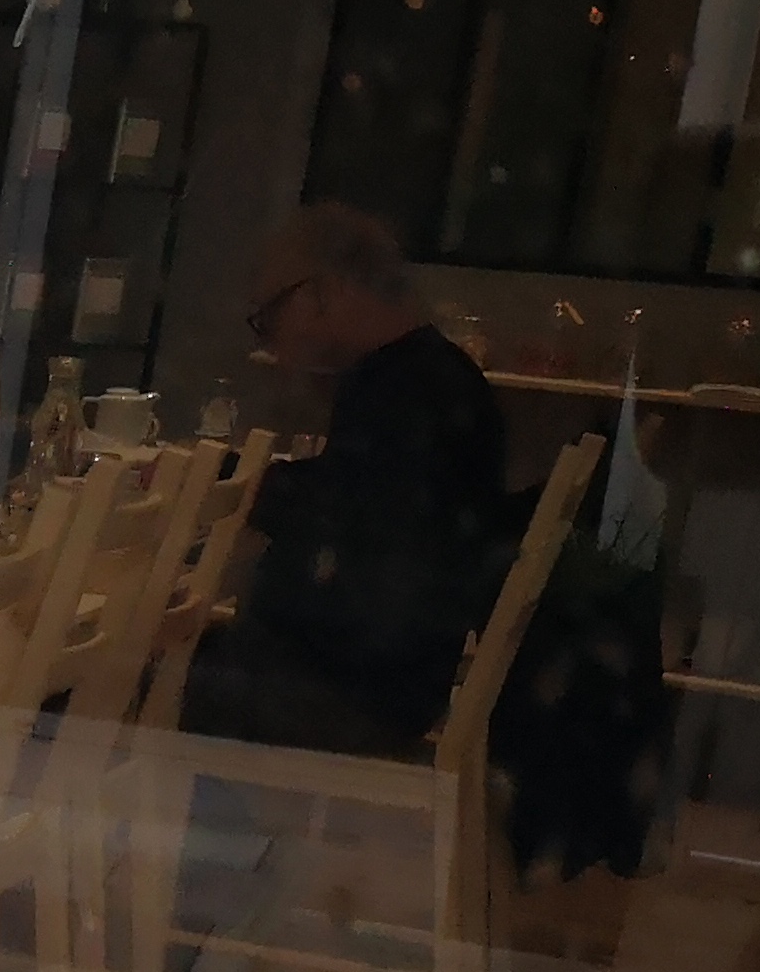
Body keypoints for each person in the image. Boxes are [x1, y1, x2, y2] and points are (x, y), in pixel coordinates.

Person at [180, 203, 512, 757]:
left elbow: (350, 526)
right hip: (388, 681)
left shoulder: (402, 393)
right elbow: (360, 497)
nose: (271, 343)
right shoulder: (434, 378)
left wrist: (238, 495)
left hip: (351, 698)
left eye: (270, 317)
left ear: (320, 293)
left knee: (130, 672)